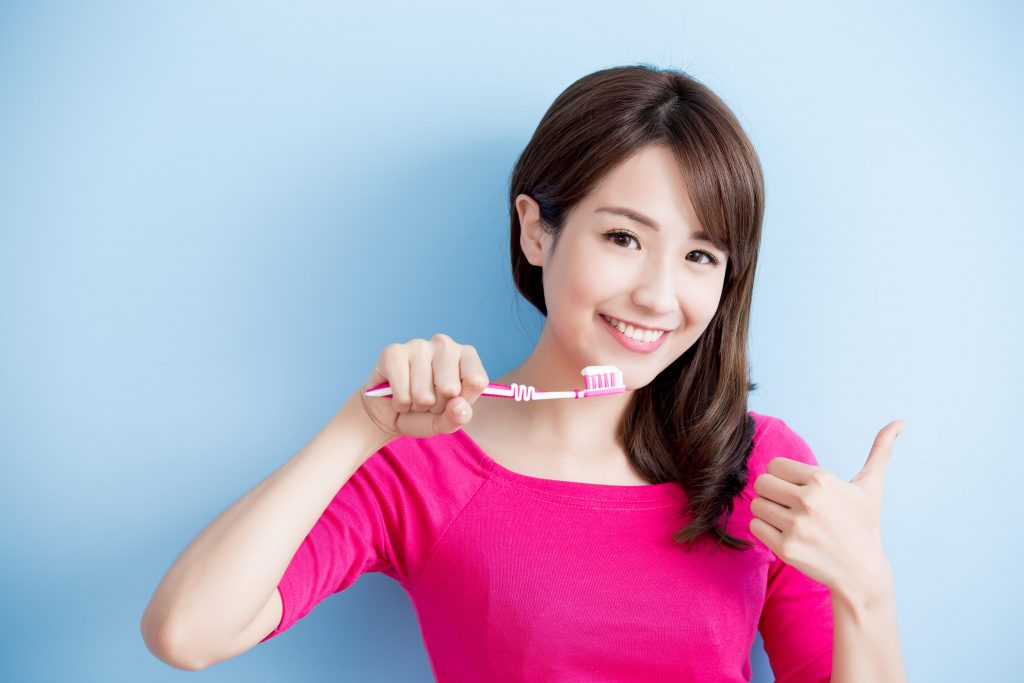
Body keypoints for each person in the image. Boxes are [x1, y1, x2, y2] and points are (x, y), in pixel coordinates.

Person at [141, 64, 905, 681]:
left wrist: (867, 590)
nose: (659, 295)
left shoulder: (763, 468)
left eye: (699, 255)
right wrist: (359, 427)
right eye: (623, 237)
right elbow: (187, 631)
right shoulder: (423, 463)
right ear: (537, 231)